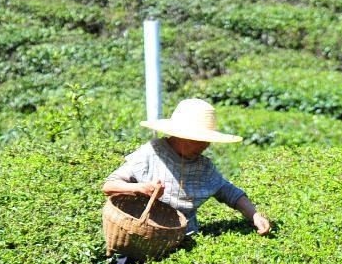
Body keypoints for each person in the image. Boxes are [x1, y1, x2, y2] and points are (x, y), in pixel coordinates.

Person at [102, 98, 273, 236]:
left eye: (206, 141)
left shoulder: (204, 167)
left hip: (184, 238)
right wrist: (140, 188)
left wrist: (254, 215)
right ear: (179, 135)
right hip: (141, 235)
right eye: (197, 141)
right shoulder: (151, 153)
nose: (204, 146)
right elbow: (109, 186)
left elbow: (229, 192)